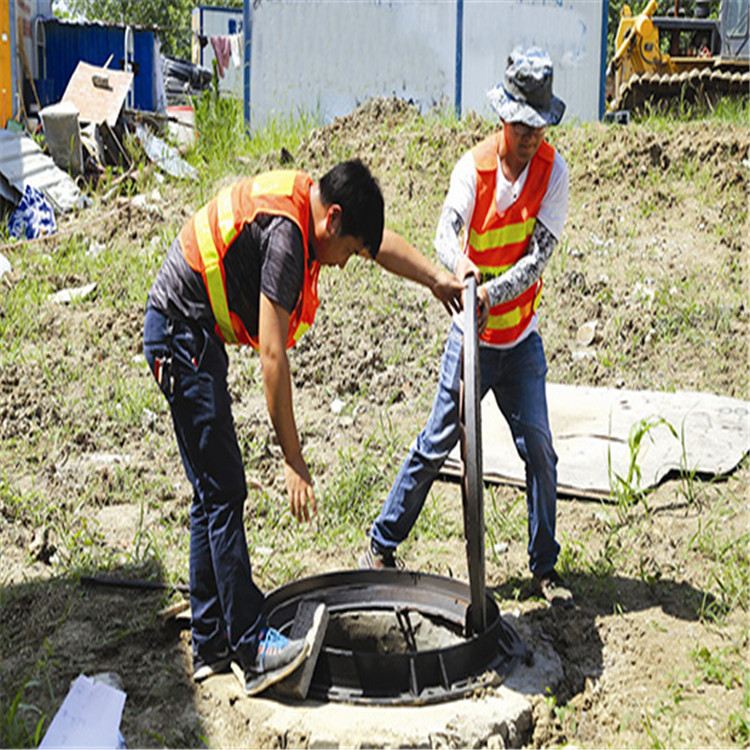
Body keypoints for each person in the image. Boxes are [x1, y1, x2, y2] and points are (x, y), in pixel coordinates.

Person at [143, 159, 465, 697]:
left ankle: (211, 642)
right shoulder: (290, 241)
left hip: (190, 331)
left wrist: (434, 278)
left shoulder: (309, 202)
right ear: (332, 220)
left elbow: (379, 246)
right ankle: (251, 647)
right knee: (224, 490)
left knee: (210, 492)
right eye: (349, 251)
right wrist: (294, 460)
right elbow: (272, 356)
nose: (344, 265)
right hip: (181, 335)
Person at [361, 47, 573, 607]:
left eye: (538, 127)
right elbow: (445, 232)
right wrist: (461, 269)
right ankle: (382, 544)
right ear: (502, 117)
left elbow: (536, 259)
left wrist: (485, 292)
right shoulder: (472, 169)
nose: (529, 138)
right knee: (437, 442)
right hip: (470, 342)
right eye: (521, 125)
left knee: (542, 453)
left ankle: (543, 569)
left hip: (519, 339)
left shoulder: (554, 172)